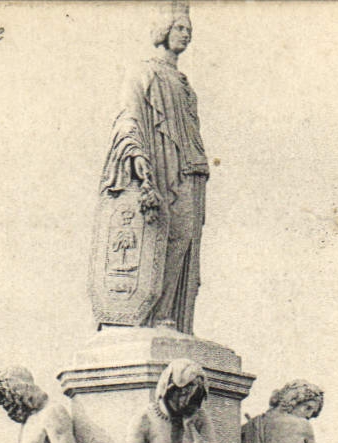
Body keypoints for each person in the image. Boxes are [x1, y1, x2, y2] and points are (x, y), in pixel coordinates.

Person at [92, 4, 207, 333]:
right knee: (160, 236)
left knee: (184, 238)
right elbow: (127, 116)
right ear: (164, 30)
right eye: (180, 28)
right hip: (159, 167)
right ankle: (150, 316)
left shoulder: (185, 84)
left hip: (187, 171)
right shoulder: (143, 72)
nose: (186, 35)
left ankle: (166, 314)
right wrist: (138, 158)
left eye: (189, 30)